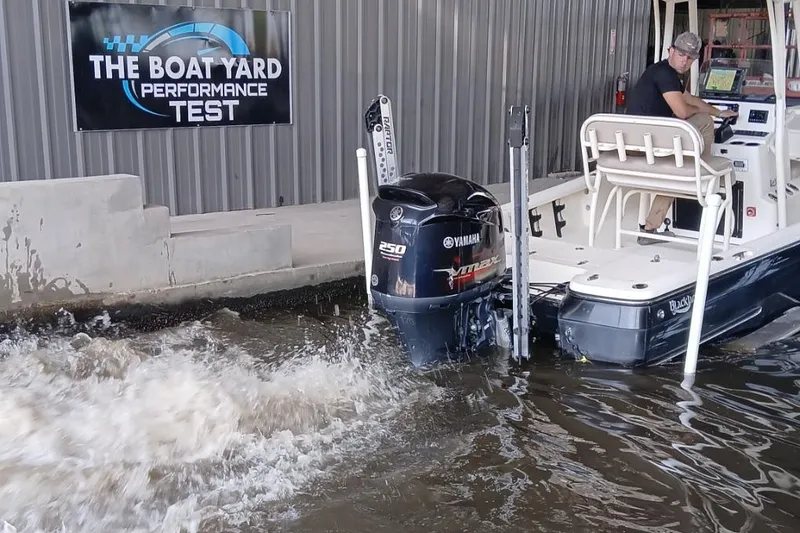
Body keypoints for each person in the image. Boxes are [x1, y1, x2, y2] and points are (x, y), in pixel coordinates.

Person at [625, 31, 738, 245]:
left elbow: (690, 99)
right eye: (681, 55)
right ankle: (702, 170)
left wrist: (719, 112)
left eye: (690, 57)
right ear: (670, 51)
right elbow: (683, 111)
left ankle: (651, 227)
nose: (684, 61)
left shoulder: (663, 73)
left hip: (638, 142)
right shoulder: (665, 74)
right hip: (644, 146)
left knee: (685, 157)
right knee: (701, 127)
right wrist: (704, 114)